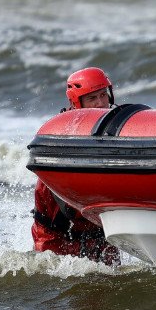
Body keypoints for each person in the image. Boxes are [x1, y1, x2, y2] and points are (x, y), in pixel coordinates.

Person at [31, 67, 119, 264]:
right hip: (57, 234)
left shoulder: (114, 129)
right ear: (76, 103)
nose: (101, 104)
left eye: (103, 95)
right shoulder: (65, 138)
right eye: (92, 98)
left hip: (98, 231)